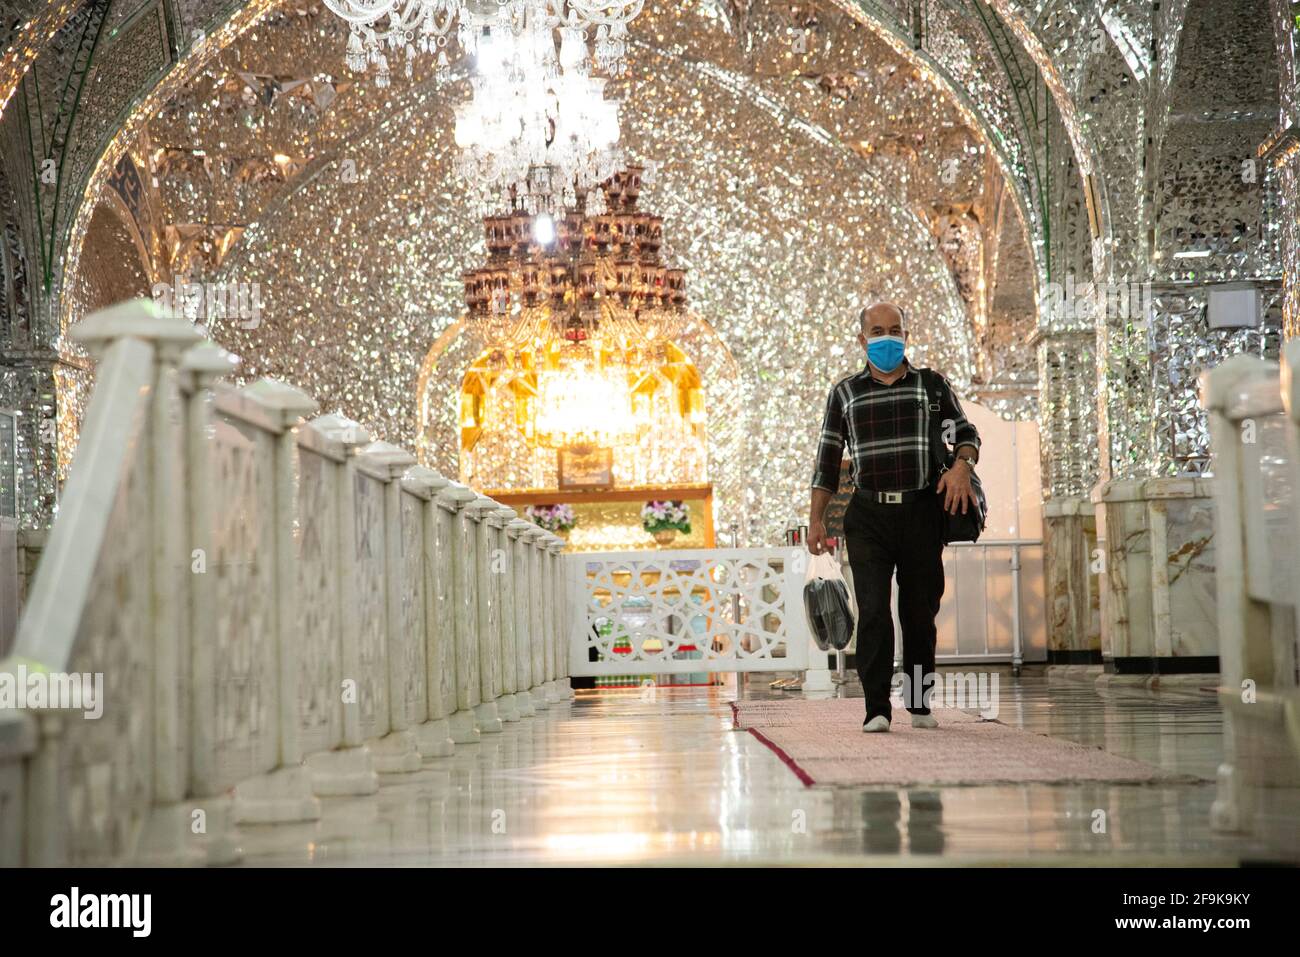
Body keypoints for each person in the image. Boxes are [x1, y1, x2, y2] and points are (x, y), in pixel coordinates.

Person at [807, 302, 980, 732]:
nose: (888, 337)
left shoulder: (931, 385)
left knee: (919, 613)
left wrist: (962, 467)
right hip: (867, 516)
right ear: (863, 340)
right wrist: (816, 520)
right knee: (874, 611)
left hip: (921, 511)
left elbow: (966, 433)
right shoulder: (844, 393)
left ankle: (919, 704)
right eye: (878, 330)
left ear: (907, 334)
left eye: (895, 329)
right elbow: (827, 463)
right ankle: (876, 708)